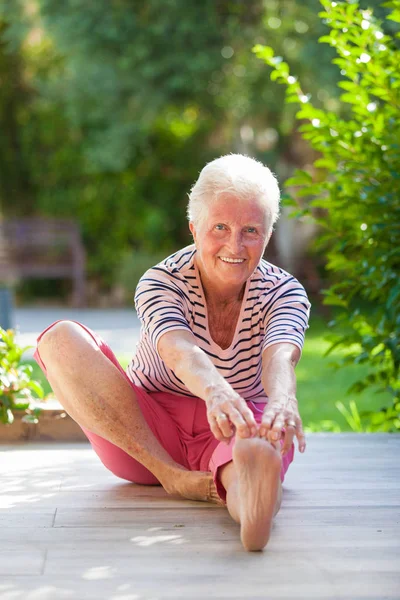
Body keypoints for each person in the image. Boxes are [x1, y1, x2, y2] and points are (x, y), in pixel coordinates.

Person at [34, 154, 311, 552]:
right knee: (59, 338)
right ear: (194, 228)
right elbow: (178, 349)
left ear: (268, 232)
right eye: (220, 227)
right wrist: (214, 391)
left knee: (254, 447)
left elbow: (280, 354)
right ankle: (173, 477)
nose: (235, 245)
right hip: (146, 431)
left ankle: (252, 501)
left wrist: (283, 399)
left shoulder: (284, 291)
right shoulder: (162, 281)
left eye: (251, 230)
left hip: (236, 421)